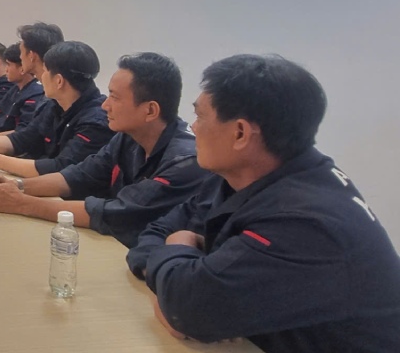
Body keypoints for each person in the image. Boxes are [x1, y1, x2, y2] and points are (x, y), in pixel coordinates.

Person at [126, 55, 400, 350]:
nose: (192, 128)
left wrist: (178, 247)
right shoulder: (242, 175)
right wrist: (174, 284)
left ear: (240, 133)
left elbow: (190, 310)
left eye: (201, 116)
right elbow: (154, 234)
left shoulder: (305, 220)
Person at [0, 53, 211, 249]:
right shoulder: (126, 137)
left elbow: (118, 213)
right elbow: (79, 174)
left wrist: (22, 203)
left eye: (115, 98)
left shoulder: (184, 162)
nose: (105, 105)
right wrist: (17, 187)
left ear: (150, 111)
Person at [0, 41, 113, 178]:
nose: (40, 77)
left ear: (59, 81)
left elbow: (62, 168)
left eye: (44, 71)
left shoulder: (95, 120)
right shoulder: (54, 105)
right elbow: (24, 139)